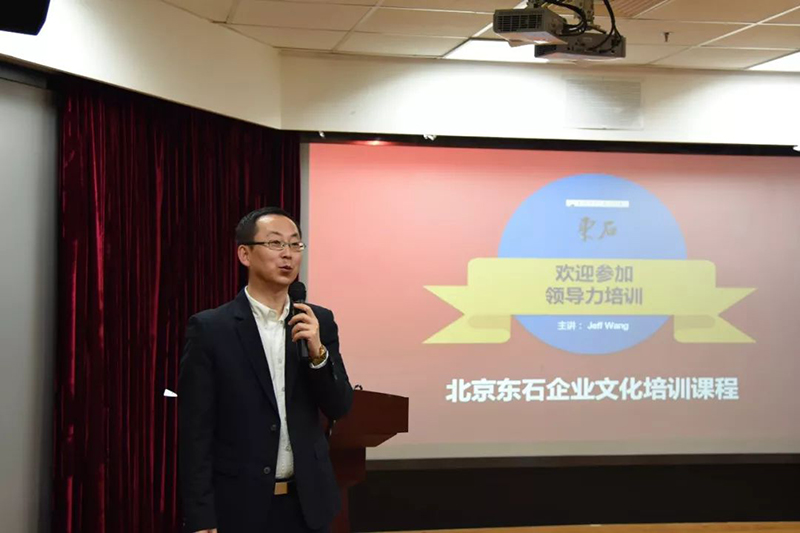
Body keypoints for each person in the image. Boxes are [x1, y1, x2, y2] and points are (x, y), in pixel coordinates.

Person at [179, 207, 354, 533]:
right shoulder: (211, 329)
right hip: (240, 506)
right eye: (275, 243)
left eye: (295, 244)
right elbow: (195, 432)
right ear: (245, 254)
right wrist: (200, 516)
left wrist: (317, 353)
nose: (288, 254)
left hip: (308, 506)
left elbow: (339, 406)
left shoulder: (317, 322)